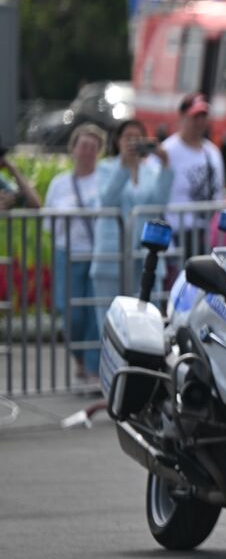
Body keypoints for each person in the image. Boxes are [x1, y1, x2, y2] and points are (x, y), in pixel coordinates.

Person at [91, 120, 173, 326]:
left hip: (144, 255)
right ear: (117, 141)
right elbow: (107, 199)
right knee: (108, 321)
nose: (133, 142)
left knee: (147, 319)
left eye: (138, 138)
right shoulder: (105, 168)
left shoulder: (151, 170)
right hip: (112, 255)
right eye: (128, 137)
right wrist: (124, 167)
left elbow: (159, 204)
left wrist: (165, 165)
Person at [44, 125, 107, 377]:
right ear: (73, 149)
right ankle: (79, 357)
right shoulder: (59, 184)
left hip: (97, 254)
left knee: (94, 311)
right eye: (84, 146)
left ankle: (92, 367)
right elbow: (48, 223)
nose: (88, 152)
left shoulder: (104, 180)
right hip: (67, 254)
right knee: (72, 313)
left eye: (93, 148)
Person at [162, 92, 225, 269]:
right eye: (195, 116)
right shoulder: (168, 150)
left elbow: (218, 191)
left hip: (206, 233)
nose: (200, 122)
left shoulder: (212, 152)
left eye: (203, 116)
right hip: (178, 233)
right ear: (182, 116)